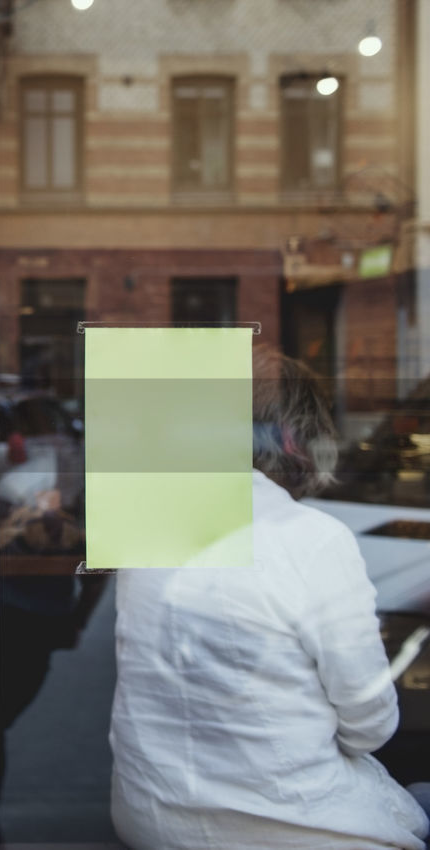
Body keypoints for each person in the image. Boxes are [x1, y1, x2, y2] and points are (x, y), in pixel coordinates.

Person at [110, 347, 430, 849]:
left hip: (154, 819)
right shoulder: (312, 538)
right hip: (288, 828)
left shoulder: (153, 530)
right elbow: (370, 722)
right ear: (296, 439)